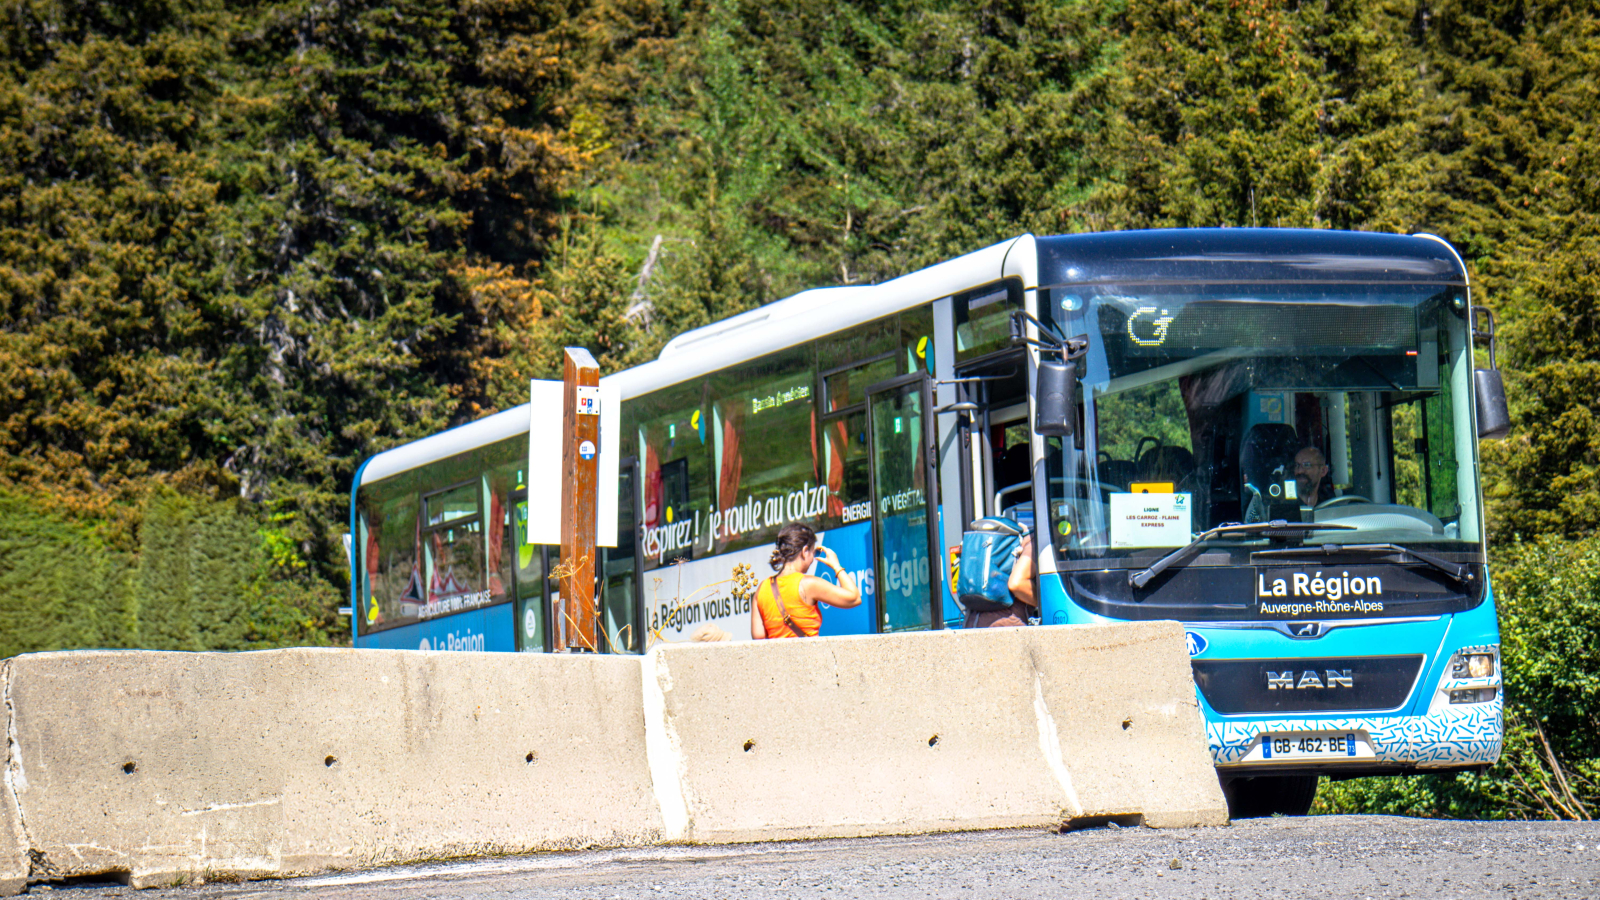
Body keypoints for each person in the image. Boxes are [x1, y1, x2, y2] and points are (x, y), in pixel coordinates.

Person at [751, 523, 862, 639]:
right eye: (814, 553)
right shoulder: (808, 584)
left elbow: (758, 637)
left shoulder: (762, 589)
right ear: (805, 551)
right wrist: (836, 565)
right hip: (809, 655)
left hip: (778, 656)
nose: (813, 559)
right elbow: (854, 598)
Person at [965, 533, 1038, 628]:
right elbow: (1016, 583)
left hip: (972, 622)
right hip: (1006, 625)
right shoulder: (1032, 544)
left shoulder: (1007, 542)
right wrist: (1041, 603)